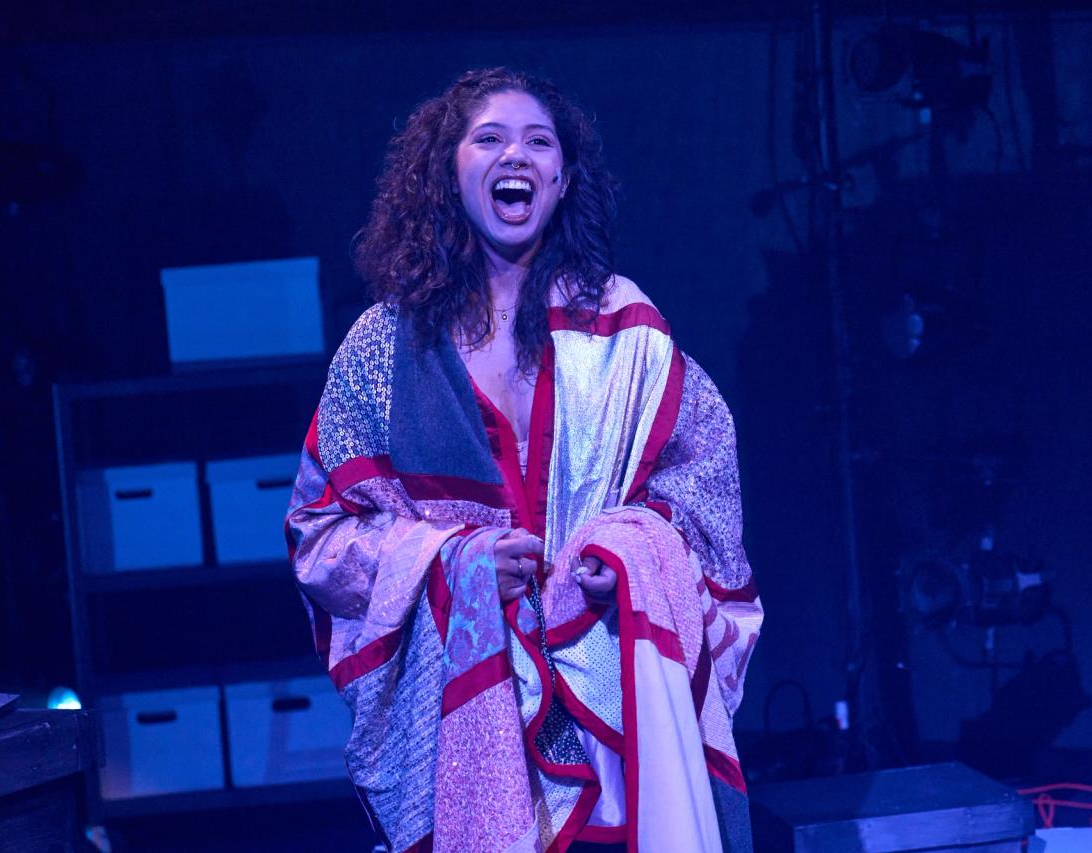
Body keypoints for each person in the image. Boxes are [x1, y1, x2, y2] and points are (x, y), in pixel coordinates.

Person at [286, 67, 762, 853]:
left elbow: (702, 481)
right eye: (491, 138)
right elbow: (322, 534)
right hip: (460, 713)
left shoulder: (622, 325)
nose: (518, 154)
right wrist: (452, 564)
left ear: (563, 178)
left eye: (539, 142)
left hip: (610, 717)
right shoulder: (385, 345)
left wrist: (633, 553)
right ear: (449, 171)